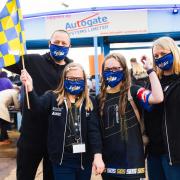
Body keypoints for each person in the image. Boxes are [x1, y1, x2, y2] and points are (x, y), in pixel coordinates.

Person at [5, 29, 73, 180]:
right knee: (25, 175)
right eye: (56, 42)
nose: (59, 45)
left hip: (56, 136)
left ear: (69, 46)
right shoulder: (31, 61)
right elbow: (6, 60)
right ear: (49, 44)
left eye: (63, 43)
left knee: (52, 176)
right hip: (31, 134)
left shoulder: (72, 69)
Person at [20, 63, 105, 180]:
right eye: (71, 78)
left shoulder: (90, 102)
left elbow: (94, 131)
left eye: (78, 79)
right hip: (61, 160)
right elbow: (36, 109)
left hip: (84, 160)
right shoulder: (52, 97)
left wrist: (97, 155)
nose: (75, 81)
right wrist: (30, 88)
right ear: (64, 79)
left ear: (84, 80)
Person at [98, 53, 164, 180]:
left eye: (117, 68)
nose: (112, 72)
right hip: (108, 165)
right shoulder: (99, 98)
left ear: (124, 70)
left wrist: (150, 70)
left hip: (132, 164)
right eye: (108, 69)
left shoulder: (134, 91)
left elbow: (158, 97)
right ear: (102, 72)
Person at [144, 37, 180, 180]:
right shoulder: (152, 82)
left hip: (175, 153)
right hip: (154, 152)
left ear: (173, 52)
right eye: (156, 56)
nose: (160, 58)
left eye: (163, 53)